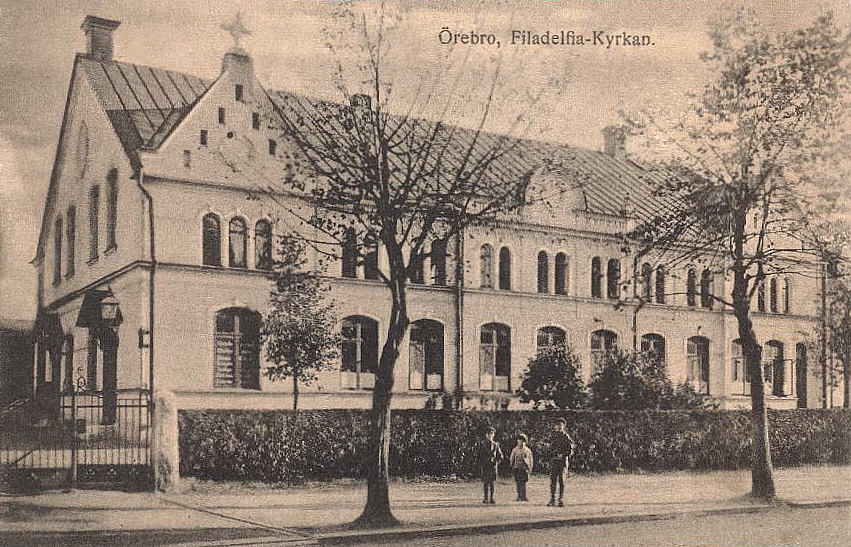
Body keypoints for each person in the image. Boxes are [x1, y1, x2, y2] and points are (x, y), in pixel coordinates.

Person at [547, 417, 574, 507]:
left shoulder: (566, 437)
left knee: (561, 481)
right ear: (554, 426)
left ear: (563, 426)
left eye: (561, 425)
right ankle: (552, 499)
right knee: (553, 480)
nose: (558, 427)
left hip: (562, 462)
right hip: (554, 461)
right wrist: (553, 455)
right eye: (557, 425)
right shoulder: (552, 436)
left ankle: (560, 499)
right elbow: (548, 449)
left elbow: (570, 450)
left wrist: (563, 455)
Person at [479, 426, 504, 504]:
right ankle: (486, 498)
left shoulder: (496, 445)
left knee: (492, 483)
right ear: (486, 435)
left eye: (491, 434)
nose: (490, 435)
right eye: (488, 434)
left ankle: (492, 498)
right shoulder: (482, 444)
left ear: (493, 435)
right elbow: (479, 456)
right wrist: (482, 462)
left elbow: (500, 456)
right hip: (485, 466)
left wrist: (496, 462)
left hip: (492, 466)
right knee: (486, 483)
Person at [509, 433, 534, 502]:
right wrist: (511, 466)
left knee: (524, 482)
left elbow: (531, 459)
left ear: (525, 442)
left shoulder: (527, 450)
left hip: (524, 468)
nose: (521, 443)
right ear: (517, 441)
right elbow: (512, 458)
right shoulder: (515, 450)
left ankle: (524, 496)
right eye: (519, 441)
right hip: (517, 468)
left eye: (523, 441)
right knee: (518, 482)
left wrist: (530, 467)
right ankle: (519, 495)